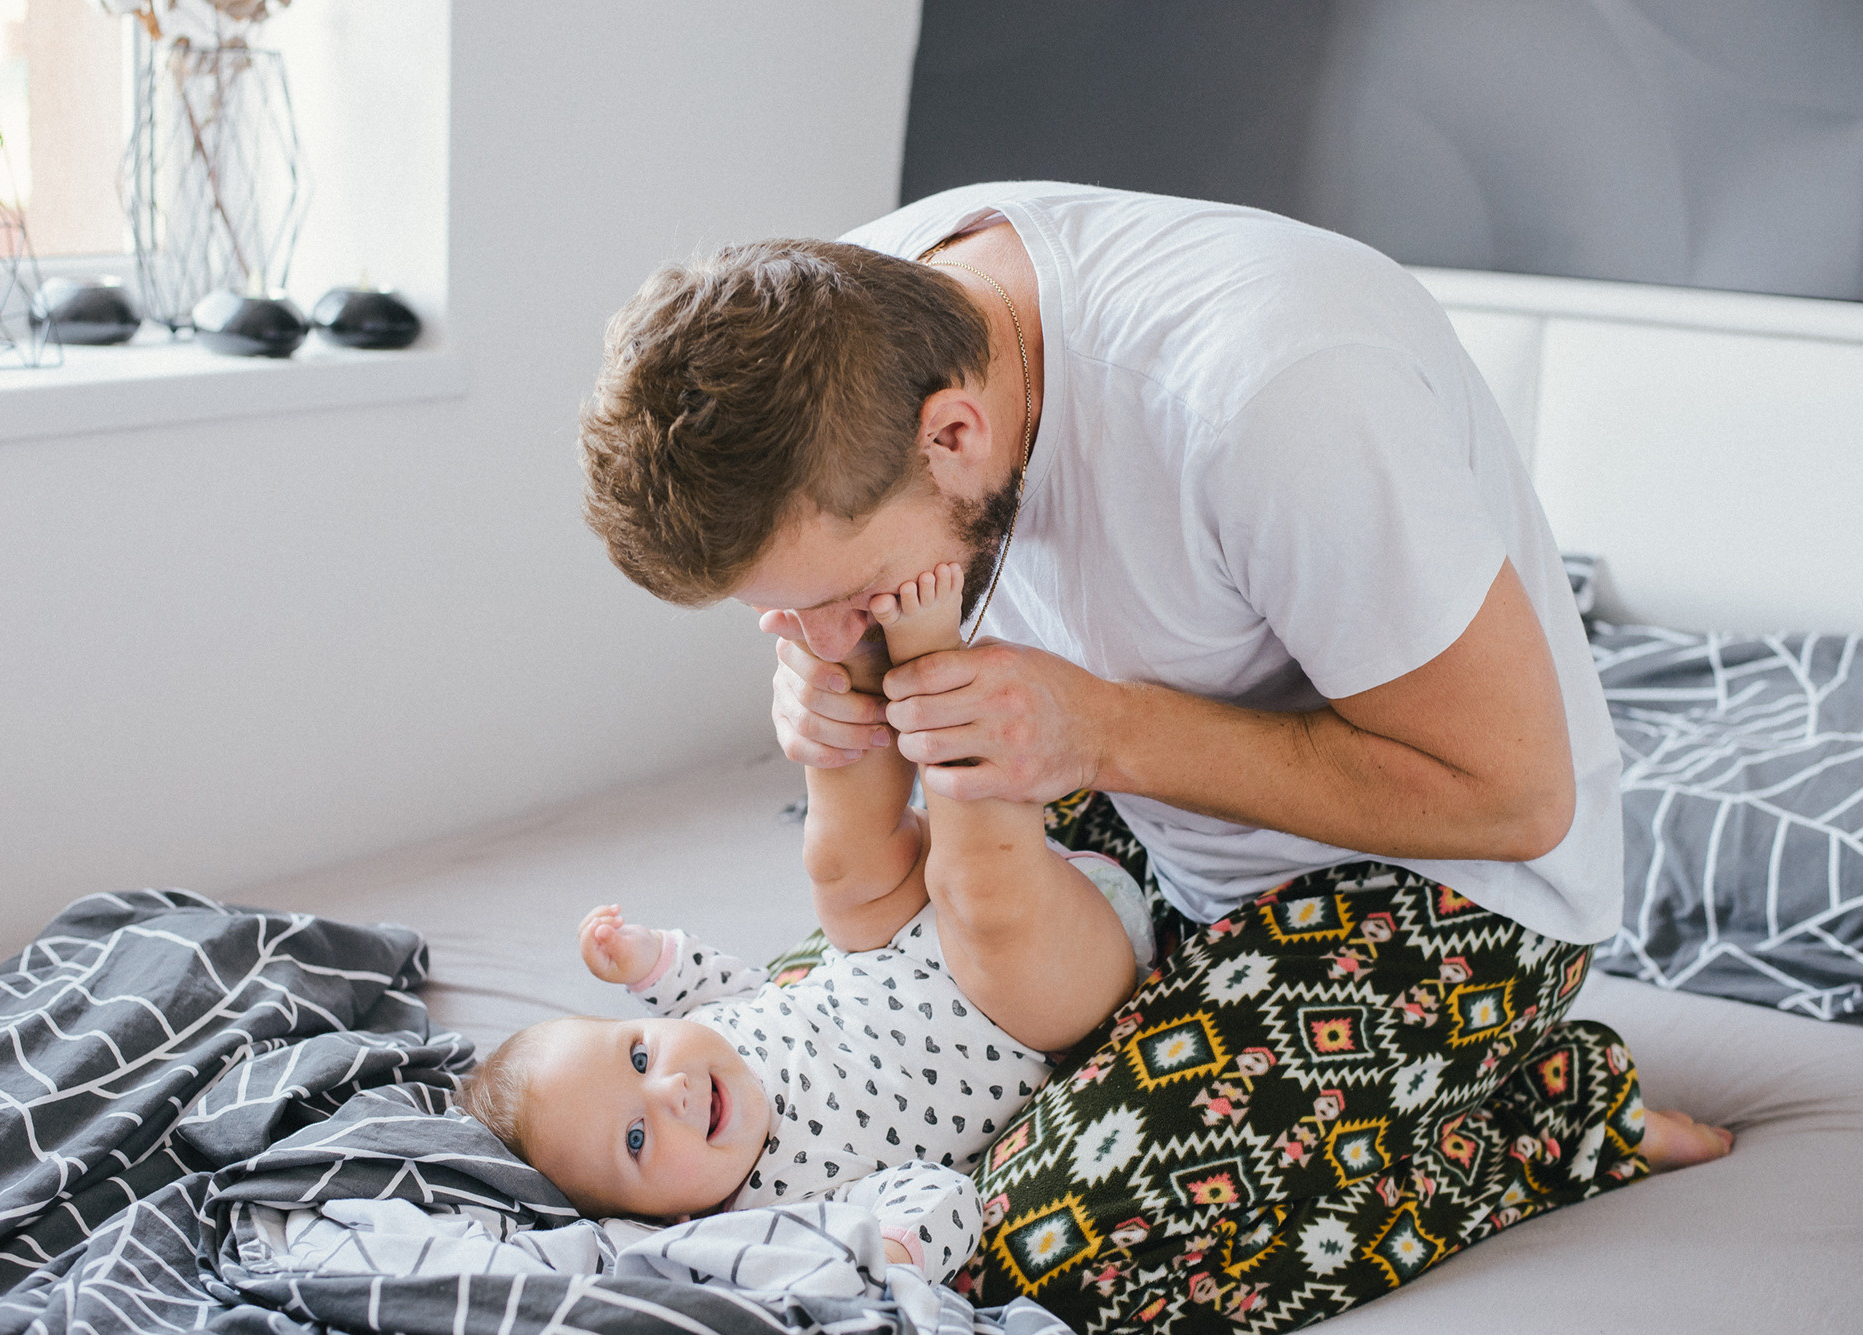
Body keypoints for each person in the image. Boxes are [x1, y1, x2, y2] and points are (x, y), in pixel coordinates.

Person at [577, 182, 1731, 1330]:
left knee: (1031, 1258)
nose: (836, 626)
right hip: (1122, 810)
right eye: (785, 612)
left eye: (845, 594)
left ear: (952, 434)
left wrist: (1101, 730)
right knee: (776, 1105)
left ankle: (1542, 1117)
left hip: (1437, 874)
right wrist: (819, 685)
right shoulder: (846, 322)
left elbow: (1518, 796)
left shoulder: (1266, 393)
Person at [462, 564, 1154, 1283]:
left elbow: (723, 992)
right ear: (663, 1219)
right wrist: (888, 1254)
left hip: (905, 935)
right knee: (977, 890)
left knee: (838, 868)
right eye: (636, 1138)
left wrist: (650, 961)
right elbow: (944, 1199)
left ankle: (848, 657)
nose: (670, 1090)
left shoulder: (711, 1044)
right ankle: (934, 658)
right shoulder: (777, 1214)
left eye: (638, 1055)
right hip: (1039, 992)